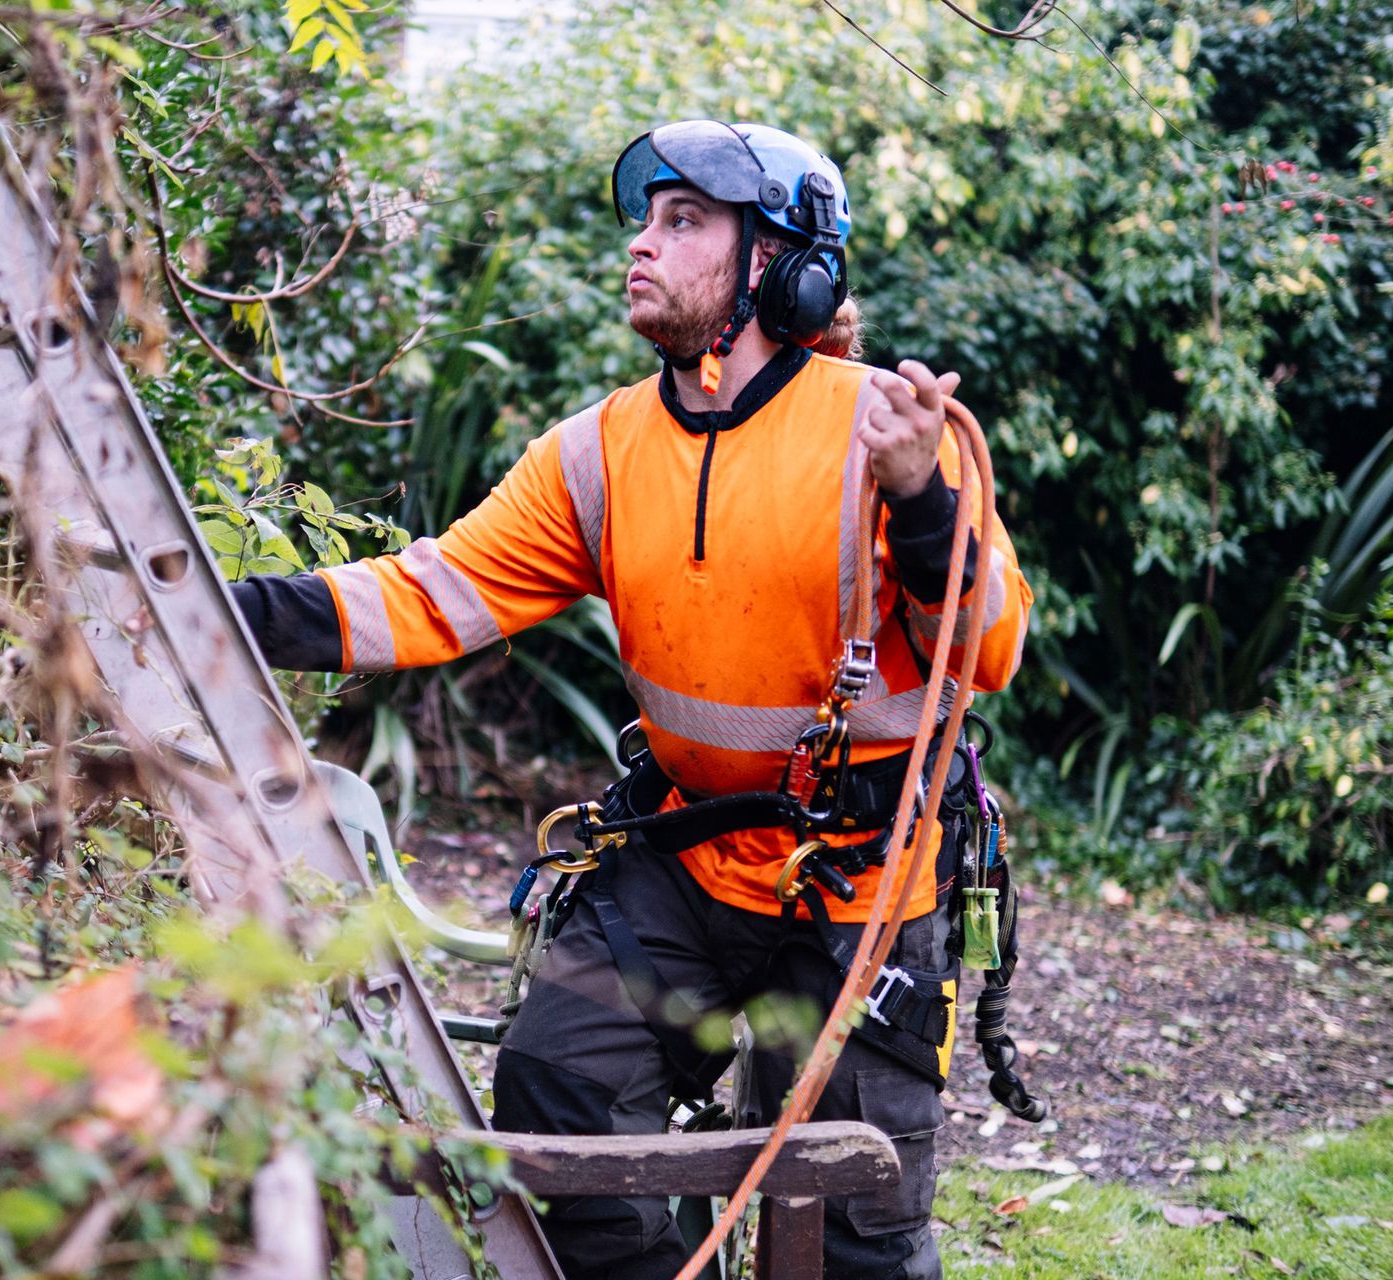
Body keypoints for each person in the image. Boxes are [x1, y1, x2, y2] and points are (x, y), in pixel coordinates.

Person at [231, 120, 1032, 1280]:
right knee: (560, 1095)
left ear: (779, 266)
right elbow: (429, 595)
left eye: (684, 220)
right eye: (644, 220)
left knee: (857, 1217)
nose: (641, 245)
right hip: (687, 862)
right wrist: (216, 606)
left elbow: (990, 646)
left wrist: (916, 500)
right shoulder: (601, 450)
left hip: (865, 883)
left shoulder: (892, 434)